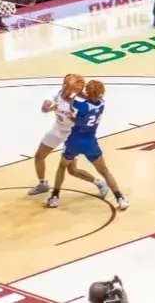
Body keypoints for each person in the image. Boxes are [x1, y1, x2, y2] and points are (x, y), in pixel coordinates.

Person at [47, 79, 128, 210]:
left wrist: (73, 88)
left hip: (74, 140)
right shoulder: (101, 104)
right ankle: (120, 199)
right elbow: (83, 113)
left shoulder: (82, 106)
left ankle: (55, 197)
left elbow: (67, 98)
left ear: (87, 91)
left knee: (62, 167)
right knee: (105, 171)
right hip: (90, 142)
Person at [30, 74, 105, 199]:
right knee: (39, 156)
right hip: (58, 129)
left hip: (72, 134)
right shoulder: (56, 93)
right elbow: (44, 107)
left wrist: (75, 117)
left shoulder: (81, 101)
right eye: (66, 85)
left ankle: (99, 183)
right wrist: (47, 109)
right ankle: (43, 184)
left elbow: (85, 117)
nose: (67, 87)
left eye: (72, 86)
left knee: (72, 170)